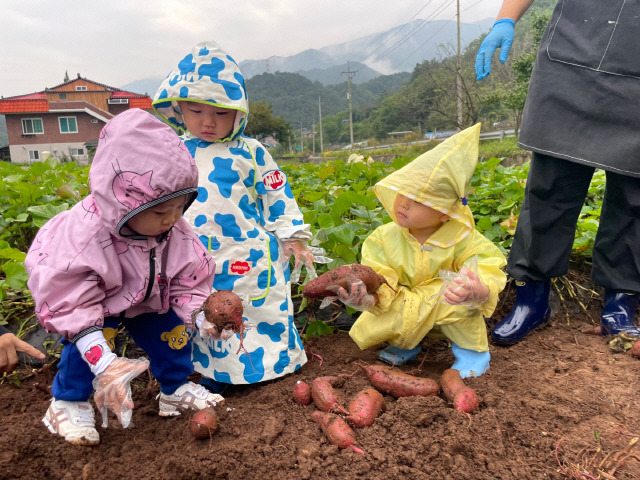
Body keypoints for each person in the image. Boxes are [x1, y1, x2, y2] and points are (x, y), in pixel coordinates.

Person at [24, 108, 222, 446]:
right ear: (124, 203)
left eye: (180, 207)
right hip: (95, 303)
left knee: (172, 337)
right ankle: (67, 402)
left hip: (149, 297)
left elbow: (191, 275)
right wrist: (103, 357)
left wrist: (199, 315)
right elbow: (68, 296)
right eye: (161, 212)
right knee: (83, 352)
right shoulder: (83, 237)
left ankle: (174, 390)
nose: (172, 219)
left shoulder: (176, 230)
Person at [475, 0, 640, 345]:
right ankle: (531, 300)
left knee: (635, 194)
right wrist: (505, 20)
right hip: (571, 62)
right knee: (550, 186)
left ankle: (620, 305)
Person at [152, 41, 313, 392]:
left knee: (258, 312)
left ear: (239, 112)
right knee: (210, 315)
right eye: (195, 111)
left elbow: (277, 193)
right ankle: (217, 375)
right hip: (196, 256)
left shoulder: (251, 152)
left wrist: (293, 235)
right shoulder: (175, 152)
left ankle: (270, 371)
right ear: (177, 109)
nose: (208, 122)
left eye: (221, 113)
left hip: (251, 255)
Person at [334, 124, 507, 378]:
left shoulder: (464, 239)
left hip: (447, 310)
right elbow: (381, 281)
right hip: (407, 309)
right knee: (388, 304)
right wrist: (366, 297)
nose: (403, 203)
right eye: (403, 193)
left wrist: (477, 288)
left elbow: (488, 266)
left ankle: (472, 352)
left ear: (445, 213)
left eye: (418, 200)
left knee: (465, 303)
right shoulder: (382, 238)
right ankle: (407, 343)